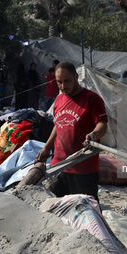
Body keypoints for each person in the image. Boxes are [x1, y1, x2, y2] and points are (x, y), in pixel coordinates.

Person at [36, 62, 108, 203]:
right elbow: (58, 125)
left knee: (86, 210)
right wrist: (47, 148)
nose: (63, 86)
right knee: (57, 208)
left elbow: (102, 124)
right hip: (60, 166)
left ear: (76, 76)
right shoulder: (59, 99)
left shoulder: (92, 99)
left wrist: (94, 133)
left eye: (67, 81)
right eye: (59, 82)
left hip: (83, 168)